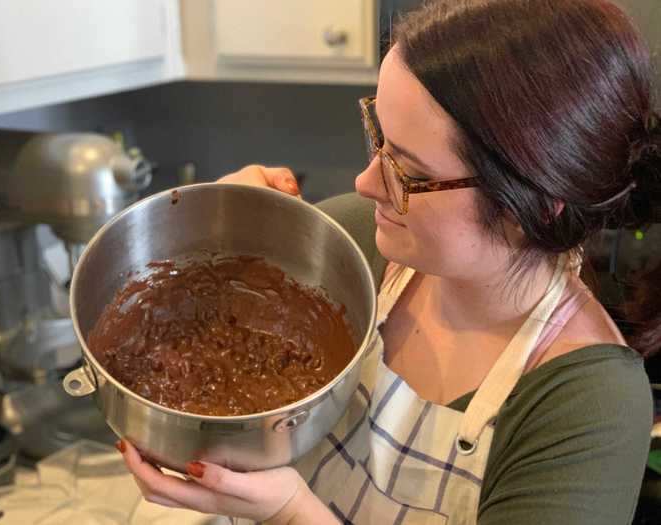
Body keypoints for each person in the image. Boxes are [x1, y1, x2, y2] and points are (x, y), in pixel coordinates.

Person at [116, 0, 661, 523]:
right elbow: (194, 365)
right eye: (379, 136)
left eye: (409, 172)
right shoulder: (358, 238)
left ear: (533, 205)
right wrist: (222, 229)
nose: (365, 182)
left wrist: (289, 513)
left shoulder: (589, 407)